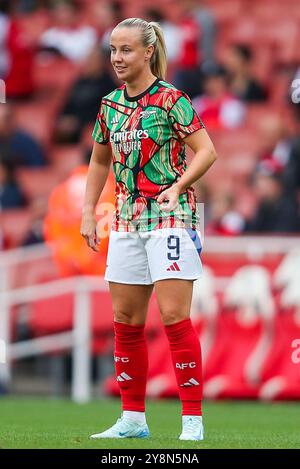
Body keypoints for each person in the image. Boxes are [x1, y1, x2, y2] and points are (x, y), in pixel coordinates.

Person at [80, 17, 217, 441]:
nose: (117, 58)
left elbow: (206, 151)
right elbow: (100, 160)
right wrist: (89, 211)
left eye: (125, 50)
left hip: (170, 217)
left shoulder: (171, 99)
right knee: (125, 320)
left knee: (174, 316)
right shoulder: (109, 104)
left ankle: (192, 420)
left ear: (147, 52)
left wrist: (179, 187)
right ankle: (133, 419)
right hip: (125, 218)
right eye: (113, 50)